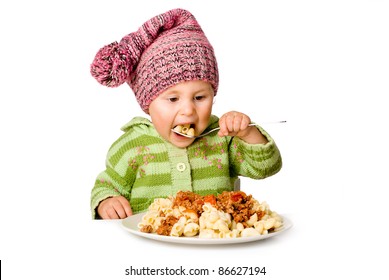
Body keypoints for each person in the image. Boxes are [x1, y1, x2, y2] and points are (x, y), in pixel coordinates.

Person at [90, 8, 282, 219]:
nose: (189, 110)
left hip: (215, 246)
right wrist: (106, 202)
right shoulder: (132, 145)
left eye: (200, 98)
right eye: (173, 99)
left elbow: (266, 167)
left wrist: (247, 134)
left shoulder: (222, 139)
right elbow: (106, 185)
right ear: (147, 104)